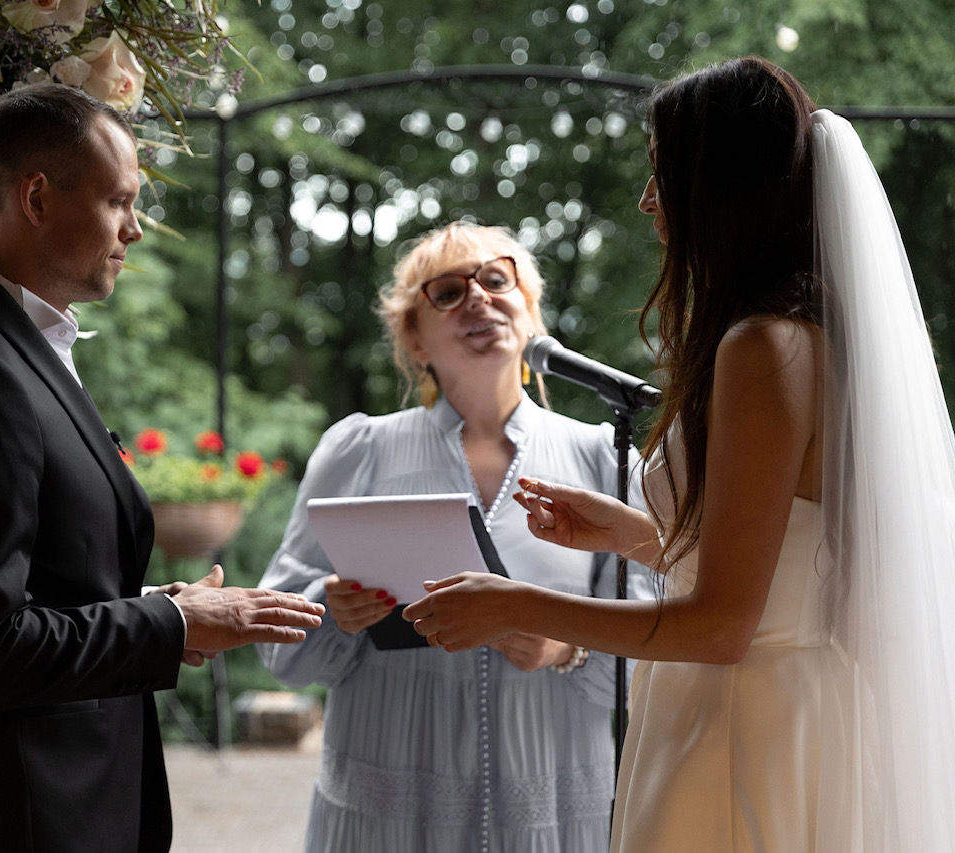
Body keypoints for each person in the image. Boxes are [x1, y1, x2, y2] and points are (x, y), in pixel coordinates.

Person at [404, 57, 955, 852]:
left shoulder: (763, 346)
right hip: (775, 709)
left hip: (745, 725)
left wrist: (513, 603)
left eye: (662, 172)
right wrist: (631, 533)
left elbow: (724, 624)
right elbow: (787, 561)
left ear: (717, 184)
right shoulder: (812, 333)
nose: (646, 199)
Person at [0, 82, 323, 853]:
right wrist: (173, 623)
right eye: (119, 201)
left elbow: (40, 582)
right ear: (37, 198)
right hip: (13, 823)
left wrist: (159, 606)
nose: (134, 229)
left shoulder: (20, 345)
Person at [257, 221, 653, 852]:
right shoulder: (358, 449)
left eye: (497, 280)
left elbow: (660, 647)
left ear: (530, 311)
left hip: (551, 806)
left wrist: (567, 646)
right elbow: (276, 643)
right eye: (447, 291)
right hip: (385, 810)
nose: (478, 298)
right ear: (414, 338)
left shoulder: (607, 459)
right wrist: (330, 610)